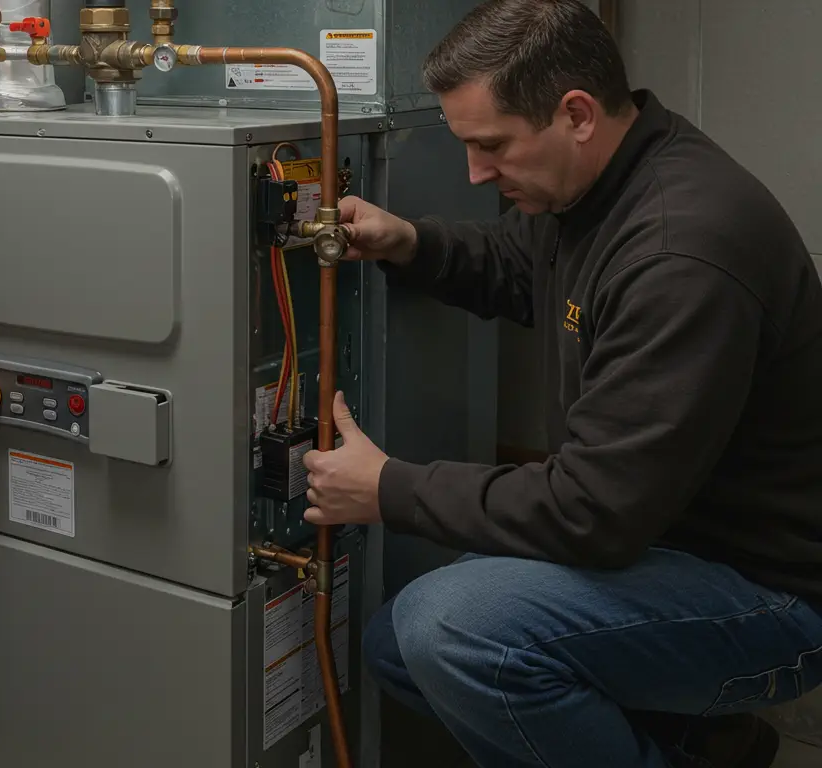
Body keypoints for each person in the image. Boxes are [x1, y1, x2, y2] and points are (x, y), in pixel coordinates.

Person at [300, 1, 822, 767]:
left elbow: (592, 513)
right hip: (666, 545)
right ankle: (705, 742)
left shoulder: (682, 253)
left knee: (454, 633)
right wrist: (409, 242)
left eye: (492, 146)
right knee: (396, 646)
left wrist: (388, 489)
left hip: (769, 597)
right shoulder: (605, 182)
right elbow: (523, 269)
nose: (477, 172)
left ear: (575, 113)